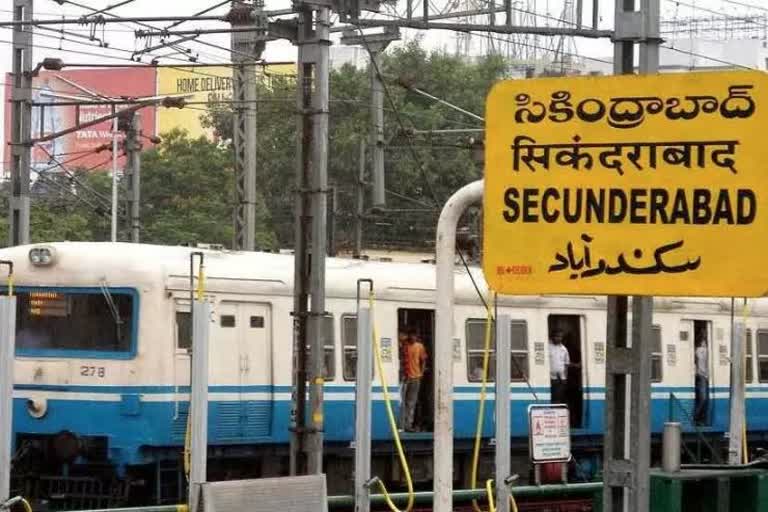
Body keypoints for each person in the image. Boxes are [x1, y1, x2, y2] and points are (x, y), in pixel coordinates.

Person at [401, 330, 428, 432]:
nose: (413, 337)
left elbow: (423, 360)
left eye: (414, 335)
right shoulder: (405, 346)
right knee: (404, 402)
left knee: (411, 402)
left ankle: (408, 424)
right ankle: (404, 424)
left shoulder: (419, 347)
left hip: (415, 377)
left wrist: (421, 373)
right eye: (411, 335)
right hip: (406, 377)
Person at [549, 329, 570, 405]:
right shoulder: (548, 346)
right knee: (551, 399)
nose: (559, 338)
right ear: (553, 336)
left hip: (561, 379)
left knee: (559, 399)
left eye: (561, 337)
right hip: (550, 378)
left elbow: (566, 364)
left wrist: (565, 378)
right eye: (557, 336)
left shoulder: (564, 349)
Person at [694, 333, 709, 425]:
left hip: (702, 376)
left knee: (703, 398)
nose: (705, 343)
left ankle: (700, 418)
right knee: (703, 398)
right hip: (702, 376)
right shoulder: (700, 350)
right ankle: (696, 417)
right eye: (704, 341)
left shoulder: (699, 350)